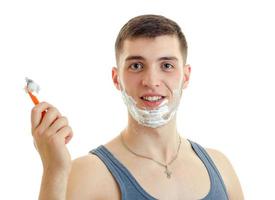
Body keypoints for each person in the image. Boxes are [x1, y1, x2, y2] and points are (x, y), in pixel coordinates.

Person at [31, 14, 244, 200]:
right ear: (116, 78)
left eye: (167, 66)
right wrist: (54, 170)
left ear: (186, 76)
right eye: (136, 66)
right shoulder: (89, 173)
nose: (151, 81)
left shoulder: (220, 167)